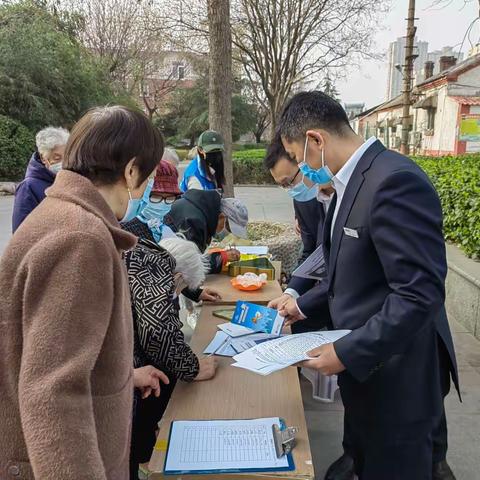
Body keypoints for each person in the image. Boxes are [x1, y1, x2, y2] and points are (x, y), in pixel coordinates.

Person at [275, 91, 459, 480]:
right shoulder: (348, 184)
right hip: (365, 370)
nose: (302, 169)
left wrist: (346, 351)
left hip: (398, 375)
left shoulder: (394, 180)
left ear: (316, 140)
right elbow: (350, 275)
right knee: (361, 458)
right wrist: (304, 306)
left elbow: (418, 293)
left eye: (297, 158)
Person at [0, 105, 168, 479]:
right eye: (150, 177)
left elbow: (55, 345)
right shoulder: (81, 239)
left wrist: (120, 373)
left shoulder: (62, 215)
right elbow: (52, 393)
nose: (148, 188)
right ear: (130, 170)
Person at [122, 231, 217, 479]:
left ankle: (141, 453)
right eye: (182, 287)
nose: (177, 294)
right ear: (175, 278)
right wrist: (192, 367)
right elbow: (156, 331)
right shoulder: (156, 270)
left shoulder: (144, 256)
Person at [122, 162, 225, 302]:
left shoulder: (167, 220)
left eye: (169, 198)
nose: (163, 203)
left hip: (168, 305)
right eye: (156, 197)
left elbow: (177, 269)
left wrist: (196, 293)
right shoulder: (126, 231)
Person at [264, 138, 333, 334]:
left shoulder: (345, 193)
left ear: (303, 160)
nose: (291, 189)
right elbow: (310, 252)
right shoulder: (302, 200)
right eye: (283, 186)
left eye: (289, 181)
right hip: (323, 293)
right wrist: (290, 293)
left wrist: (302, 303)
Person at [164, 189, 248, 272]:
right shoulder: (194, 221)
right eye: (229, 229)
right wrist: (223, 257)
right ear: (222, 217)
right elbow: (191, 265)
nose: (227, 233)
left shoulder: (201, 211)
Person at [12, 126, 69, 232]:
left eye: (66, 157)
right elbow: (20, 233)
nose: (63, 162)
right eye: (57, 158)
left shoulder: (67, 180)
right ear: (43, 158)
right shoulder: (28, 187)